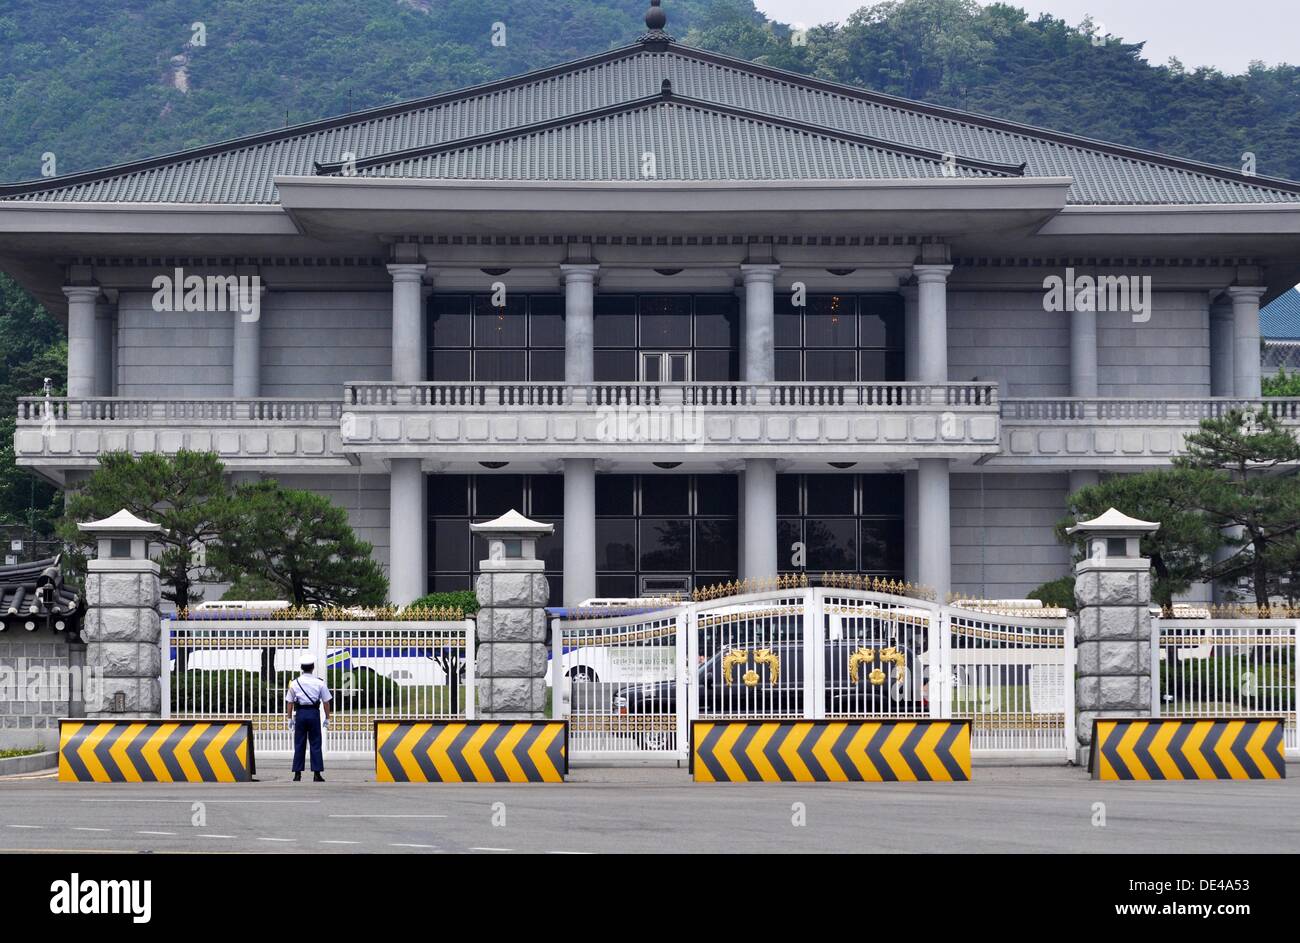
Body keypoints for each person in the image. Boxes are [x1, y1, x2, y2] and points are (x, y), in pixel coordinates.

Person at [285, 658, 332, 782]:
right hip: (313, 713)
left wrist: (289, 718)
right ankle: (317, 774)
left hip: (300, 714)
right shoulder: (319, 683)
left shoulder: (295, 683)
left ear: (301, 668)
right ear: (313, 668)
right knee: (315, 743)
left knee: (299, 743)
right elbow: (326, 702)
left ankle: (297, 774)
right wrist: (327, 717)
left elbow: (289, 701)